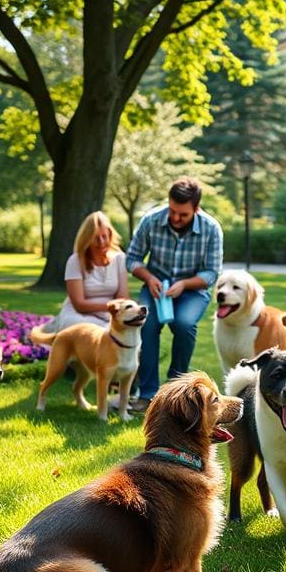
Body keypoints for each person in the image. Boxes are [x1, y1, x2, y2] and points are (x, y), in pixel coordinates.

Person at [125, 176, 223, 413]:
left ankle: (175, 391)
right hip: (155, 286)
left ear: (196, 209)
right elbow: (132, 258)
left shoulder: (211, 229)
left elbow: (212, 272)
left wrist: (184, 284)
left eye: (183, 214)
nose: (176, 218)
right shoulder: (151, 220)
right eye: (173, 211)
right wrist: (149, 278)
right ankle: (146, 394)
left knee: (184, 324)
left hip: (193, 290)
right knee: (147, 325)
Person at [50, 211, 128, 331]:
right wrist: (111, 306)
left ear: (110, 235)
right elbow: (79, 305)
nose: (101, 242)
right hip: (78, 315)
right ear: (87, 239)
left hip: (109, 314)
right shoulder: (75, 260)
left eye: (104, 236)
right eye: (96, 238)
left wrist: (111, 310)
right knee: (85, 329)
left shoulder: (120, 258)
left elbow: (122, 299)